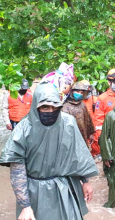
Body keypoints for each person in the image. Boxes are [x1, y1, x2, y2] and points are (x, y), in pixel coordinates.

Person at [0, 82, 99, 220]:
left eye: (54, 107)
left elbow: (77, 154)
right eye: (45, 107)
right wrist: (25, 206)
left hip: (65, 187)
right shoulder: (23, 129)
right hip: (36, 191)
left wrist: (85, 181)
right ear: (36, 106)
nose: (50, 111)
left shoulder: (68, 123)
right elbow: (17, 172)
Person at [93, 68, 115, 162]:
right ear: (109, 82)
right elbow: (98, 121)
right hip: (109, 133)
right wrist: (102, 141)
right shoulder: (102, 98)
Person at [62, 81, 95, 150]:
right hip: (71, 139)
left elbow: (88, 119)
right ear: (71, 92)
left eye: (81, 92)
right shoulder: (65, 107)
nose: (79, 94)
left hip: (83, 136)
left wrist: (91, 133)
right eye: (77, 92)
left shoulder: (82, 105)